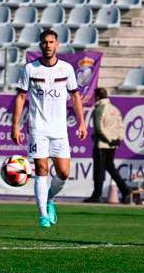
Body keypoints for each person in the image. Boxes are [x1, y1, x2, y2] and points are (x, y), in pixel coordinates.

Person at [12, 29, 87, 228]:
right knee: (42, 170)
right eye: (44, 42)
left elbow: (75, 96)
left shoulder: (66, 69)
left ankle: (49, 198)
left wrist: (81, 122)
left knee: (63, 172)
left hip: (59, 129)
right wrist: (16, 126)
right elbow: (20, 97)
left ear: (57, 44)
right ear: (40, 45)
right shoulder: (30, 69)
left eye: (51, 42)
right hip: (38, 128)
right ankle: (43, 215)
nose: (48, 45)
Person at [84, 87, 132, 204]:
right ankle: (125, 190)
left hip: (102, 144)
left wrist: (108, 139)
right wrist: (118, 139)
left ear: (97, 97)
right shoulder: (115, 109)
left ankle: (97, 195)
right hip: (113, 144)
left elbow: (98, 128)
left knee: (98, 170)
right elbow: (121, 126)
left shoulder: (99, 108)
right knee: (110, 167)